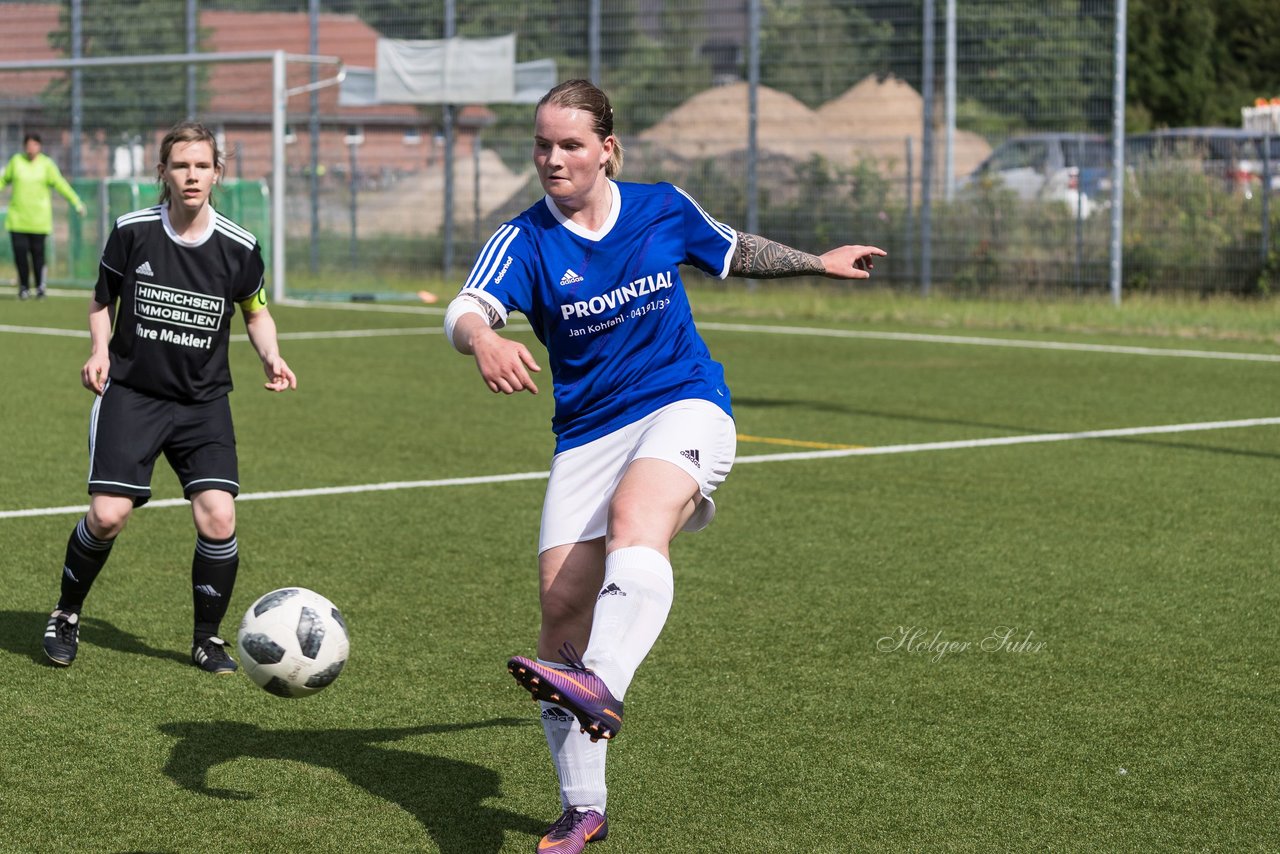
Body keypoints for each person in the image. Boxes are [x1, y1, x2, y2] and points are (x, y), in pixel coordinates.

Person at [443, 78, 885, 853]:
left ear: (608, 150)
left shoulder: (660, 207)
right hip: (586, 434)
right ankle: (584, 807)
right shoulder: (525, 239)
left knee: (636, 520)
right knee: (559, 614)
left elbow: (734, 248)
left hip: (685, 404)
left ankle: (603, 682)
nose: (553, 159)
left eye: (571, 145)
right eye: (542, 145)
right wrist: (482, 338)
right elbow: (467, 307)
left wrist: (818, 260)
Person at [40, 121, 297, 674]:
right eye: (181, 165)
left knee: (218, 518)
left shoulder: (240, 247)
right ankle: (66, 614)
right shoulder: (133, 231)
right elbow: (100, 299)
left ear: (217, 173)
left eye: (202, 165)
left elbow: (256, 310)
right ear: (162, 173)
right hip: (133, 395)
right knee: (107, 517)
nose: (192, 175)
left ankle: (207, 638)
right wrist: (99, 350)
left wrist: (270, 356)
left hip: (202, 405)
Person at [0, 132, 86, 299]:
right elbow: (3, 180)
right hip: (17, 219)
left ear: (39, 146)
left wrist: (76, 202)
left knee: (38, 255)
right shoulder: (16, 162)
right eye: (28, 144)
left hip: (39, 221)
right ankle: (23, 287)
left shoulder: (46, 165)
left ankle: (40, 286)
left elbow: (61, 184)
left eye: (34, 144)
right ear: (24, 146)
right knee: (20, 256)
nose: (31, 148)